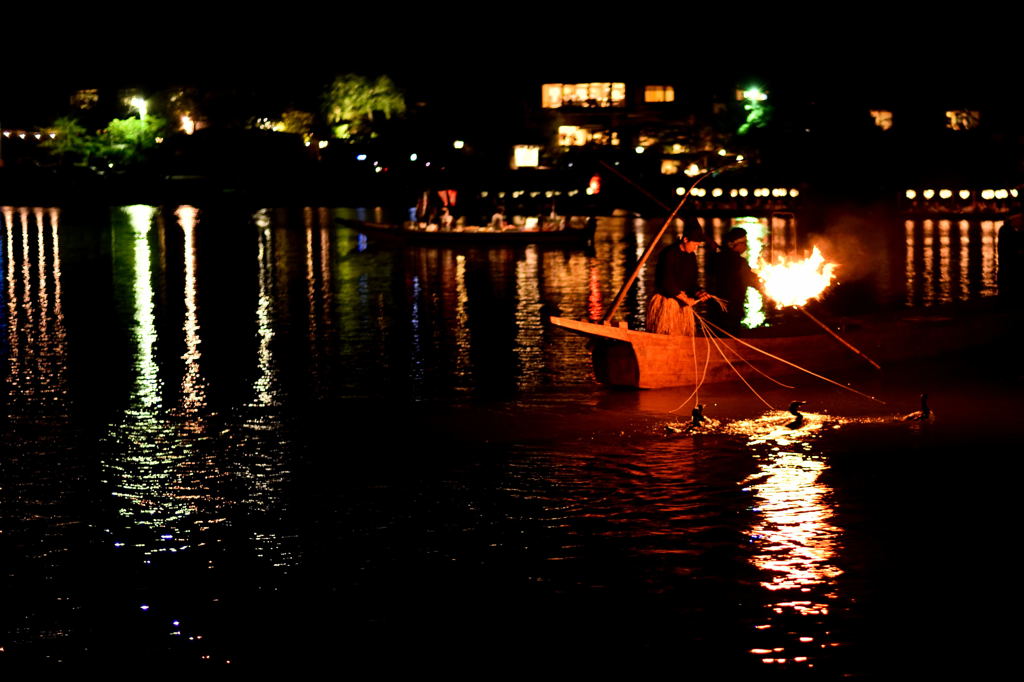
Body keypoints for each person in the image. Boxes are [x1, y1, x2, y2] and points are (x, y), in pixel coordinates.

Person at [646, 219, 710, 335]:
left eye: (698, 246)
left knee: (683, 334)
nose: (696, 249)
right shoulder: (669, 254)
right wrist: (684, 299)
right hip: (668, 301)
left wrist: (698, 292)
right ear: (685, 240)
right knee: (667, 334)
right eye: (695, 245)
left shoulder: (691, 256)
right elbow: (666, 282)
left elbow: (691, 281)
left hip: (682, 303)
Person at [710, 227, 761, 332]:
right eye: (744, 242)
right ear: (734, 244)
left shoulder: (718, 258)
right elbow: (751, 281)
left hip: (716, 306)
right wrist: (763, 283)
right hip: (733, 306)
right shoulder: (740, 262)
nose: (745, 245)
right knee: (731, 331)